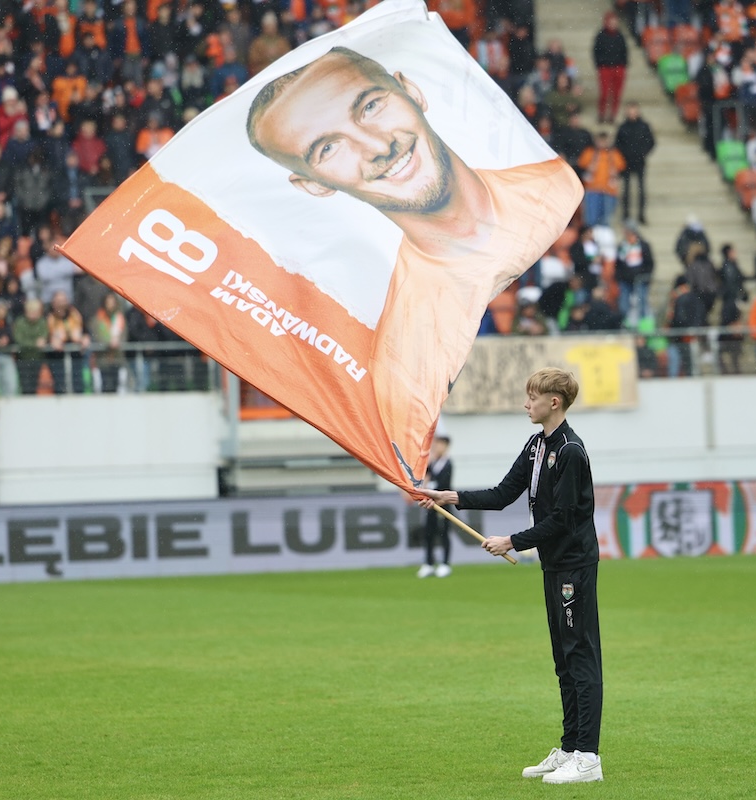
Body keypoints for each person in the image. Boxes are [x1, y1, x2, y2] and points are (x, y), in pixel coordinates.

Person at [246, 46, 581, 486]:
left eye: (370, 106)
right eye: (328, 148)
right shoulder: (401, 352)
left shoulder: (557, 191)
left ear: (410, 91)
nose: (378, 146)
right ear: (313, 185)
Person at [417, 368, 603, 784]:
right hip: (554, 565)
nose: (526, 404)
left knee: (580, 656)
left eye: (532, 397)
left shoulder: (571, 450)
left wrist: (513, 542)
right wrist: (449, 497)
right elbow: (503, 494)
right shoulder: (537, 445)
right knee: (563, 659)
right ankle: (570, 747)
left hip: (574, 565)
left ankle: (588, 757)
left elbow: (564, 518)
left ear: (554, 402)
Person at [416, 434, 454, 578]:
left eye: (441, 444)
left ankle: (445, 564)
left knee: (444, 532)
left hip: (443, 503)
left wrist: (431, 487)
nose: (437, 447)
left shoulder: (448, 463)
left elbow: (444, 483)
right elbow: (426, 475)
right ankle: (429, 563)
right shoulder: (433, 462)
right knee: (428, 533)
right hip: (431, 503)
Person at [613, 102, 654, 223]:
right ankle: (625, 214)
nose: (632, 114)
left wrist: (643, 152)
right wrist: (623, 155)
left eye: (634, 111)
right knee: (626, 189)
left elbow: (651, 142)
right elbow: (617, 144)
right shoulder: (622, 127)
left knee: (641, 188)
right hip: (626, 162)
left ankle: (641, 214)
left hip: (640, 161)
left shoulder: (644, 126)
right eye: (630, 112)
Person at [592, 12, 628, 124]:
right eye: (611, 22)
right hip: (605, 67)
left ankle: (613, 115)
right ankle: (602, 114)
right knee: (604, 93)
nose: (613, 24)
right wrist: (600, 64)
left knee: (617, 94)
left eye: (615, 22)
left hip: (618, 67)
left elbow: (624, 51)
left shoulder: (620, 36)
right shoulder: (601, 36)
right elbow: (596, 51)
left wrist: (623, 64)